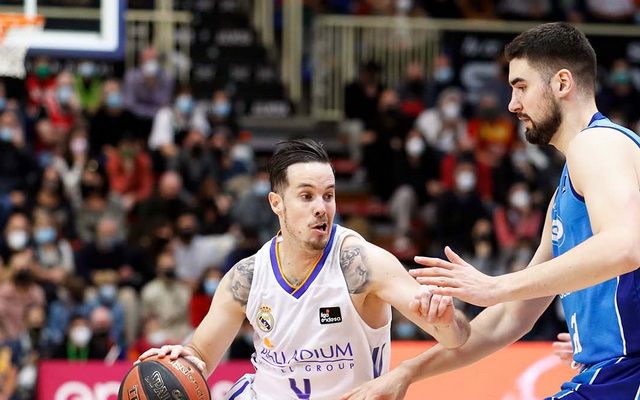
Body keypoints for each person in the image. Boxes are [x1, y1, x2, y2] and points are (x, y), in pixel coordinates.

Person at [342, 22, 640, 400]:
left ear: (563, 83)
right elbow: (512, 317)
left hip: (625, 372)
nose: (512, 104)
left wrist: (495, 286)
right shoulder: (570, 184)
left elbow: (626, 245)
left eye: (521, 86)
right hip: (611, 373)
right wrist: (407, 371)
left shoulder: (596, 144)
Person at [138, 138, 470, 399]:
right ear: (277, 203)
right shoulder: (247, 277)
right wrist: (183, 361)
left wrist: (445, 321)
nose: (321, 208)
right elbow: (201, 354)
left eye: (328, 195)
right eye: (307, 196)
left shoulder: (363, 264)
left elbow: (455, 337)